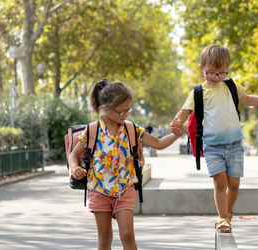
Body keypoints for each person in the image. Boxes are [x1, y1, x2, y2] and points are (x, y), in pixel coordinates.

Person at [171, 44, 258, 233]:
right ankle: (222, 219)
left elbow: (246, 99)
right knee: (220, 183)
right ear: (202, 68)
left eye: (222, 73)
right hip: (212, 145)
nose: (216, 78)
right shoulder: (198, 92)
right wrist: (176, 122)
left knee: (234, 185)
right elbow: (184, 112)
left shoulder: (230, 85)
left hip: (235, 143)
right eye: (211, 73)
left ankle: (227, 214)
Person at [69, 79, 183, 250]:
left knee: (127, 235)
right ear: (105, 108)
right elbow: (74, 154)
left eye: (128, 109)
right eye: (121, 111)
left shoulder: (132, 129)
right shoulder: (92, 130)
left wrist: (175, 134)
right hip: (98, 189)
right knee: (105, 238)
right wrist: (75, 167)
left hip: (125, 188)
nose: (126, 114)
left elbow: (158, 143)